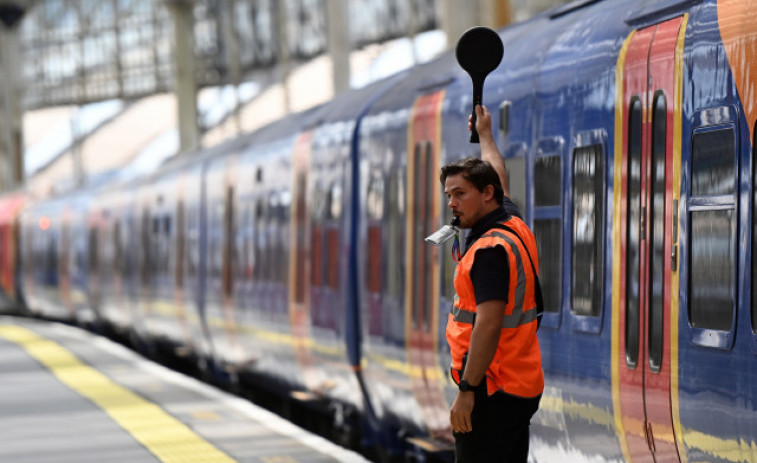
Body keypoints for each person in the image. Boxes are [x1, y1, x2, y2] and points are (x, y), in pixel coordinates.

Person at [441, 104, 543, 463]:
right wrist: (485, 136)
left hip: (492, 388)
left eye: (459, 194)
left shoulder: (489, 252)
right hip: (518, 383)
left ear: (486, 194)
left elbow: (488, 324)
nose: (452, 204)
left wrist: (467, 390)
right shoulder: (511, 225)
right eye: (448, 195)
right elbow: (497, 176)